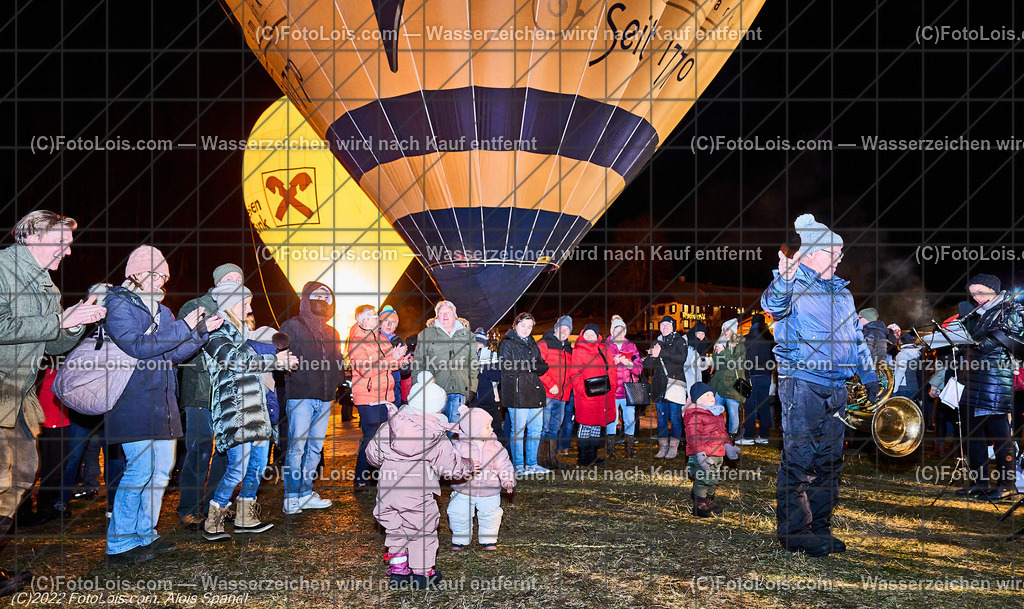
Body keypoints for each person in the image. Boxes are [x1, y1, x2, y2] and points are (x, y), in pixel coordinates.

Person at [761, 213, 878, 557]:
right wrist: (785, 277)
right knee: (799, 460)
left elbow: (856, 339)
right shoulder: (792, 283)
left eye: (841, 253)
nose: (840, 258)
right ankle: (796, 533)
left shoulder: (843, 294)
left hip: (837, 388)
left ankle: (820, 527)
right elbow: (772, 304)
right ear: (811, 253)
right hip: (803, 384)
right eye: (833, 252)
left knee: (829, 462)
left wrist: (870, 376)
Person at [104, 245, 220, 563]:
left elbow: (172, 353)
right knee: (139, 471)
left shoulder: (163, 312)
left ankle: (145, 535)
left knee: (160, 473)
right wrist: (185, 327)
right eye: (156, 275)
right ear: (136, 274)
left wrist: (199, 333)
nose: (162, 281)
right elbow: (136, 346)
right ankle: (119, 543)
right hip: (130, 399)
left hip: (163, 400)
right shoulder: (118, 303)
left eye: (164, 276)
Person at [366, 372, 478, 590]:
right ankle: (422, 572)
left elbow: (372, 455)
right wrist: (469, 464)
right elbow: (450, 467)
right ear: (436, 409)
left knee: (396, 528)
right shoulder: (434, 434)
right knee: (422, 529)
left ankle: (399, 572)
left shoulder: (390, 426)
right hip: (417, 492)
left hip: (388, 489)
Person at [202, 283, 297, 541]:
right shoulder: (216, 330)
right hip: (235, 409)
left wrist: (280, 361)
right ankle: (213, 521)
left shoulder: (244, 333)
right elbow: (234, 361)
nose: (249, 308)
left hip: (257, 408)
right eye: (244, 303)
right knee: (238, 467)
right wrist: (275, 361)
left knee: (257, 466)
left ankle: (246, 517)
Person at [176, 263, 241, 530]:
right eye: (229, 278)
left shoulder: (240, 310)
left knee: (224, 451)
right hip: (200, 391)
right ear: (217, 282)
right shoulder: (195, 307)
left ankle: (215, 504)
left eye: (239, 279)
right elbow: (182, 345)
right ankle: (189, 508)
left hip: (228, 393)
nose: (234, 282)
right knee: (200, 451)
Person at [956, 274, 1024, 500]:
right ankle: (979, 482)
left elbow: (1009, 337)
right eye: (973, 294)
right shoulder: (983, 313)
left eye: (980, 292)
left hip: (995, 381)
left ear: (993, 289)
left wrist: (977, 342)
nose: (977, 297)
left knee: (999, 433)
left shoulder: (1008, 309)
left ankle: (1007, 484)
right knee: (972, 434)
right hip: (975, 379)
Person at [279, 282, 345, 513]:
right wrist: (299, 377)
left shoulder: (332, 332)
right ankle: (291, 497)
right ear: (306, 298)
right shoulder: (292, 325)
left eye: (326, 296)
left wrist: (337, 382)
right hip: (301, 396)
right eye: (317, 295)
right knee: (296, 448)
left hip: (325, 397)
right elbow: (283, 356)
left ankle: (306, 493)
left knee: (315, 448)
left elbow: (337, 360)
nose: (322, 300)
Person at [346, 304, 406, 490]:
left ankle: (376, 477)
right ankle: (361, 478)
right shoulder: (357, 341)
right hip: (368, 397)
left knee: (383, 438)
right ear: (364, 321)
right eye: (374, 316)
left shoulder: (381, 339)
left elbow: (392, 366)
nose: (377, 318)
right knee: (371, 438)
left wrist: (399, 359)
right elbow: (365, 369)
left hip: (386, 396)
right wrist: (391, 358)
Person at [448, 404, 515, 551]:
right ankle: (460, 539)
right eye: (487, 427)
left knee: (491, 515)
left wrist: (507, 479)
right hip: (463, 490)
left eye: (490, 426)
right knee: (458, 514)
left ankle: (489, 539)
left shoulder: (495, 447)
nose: (492, 429)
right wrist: (463, 469)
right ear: (474, 430)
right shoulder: (459, 446)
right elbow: (452, 465)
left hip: (489, 490)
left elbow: (504, 464)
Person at [497, 313, 550, 476]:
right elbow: (506, 367)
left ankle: (532, 464)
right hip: (517, 393)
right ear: (515, 325)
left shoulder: (532, 343)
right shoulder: (507, 343)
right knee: (518, 431)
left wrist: (531, 366)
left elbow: (542, 366)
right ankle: (518, 465)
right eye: (523, 325)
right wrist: (532, 366)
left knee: (536, 430)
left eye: (529, 326)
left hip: (534, 391)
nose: (526, 329)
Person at [413, 300, 478, 428]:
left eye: (448, 312)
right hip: (434, 391)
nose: (445, 315)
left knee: (454, 430)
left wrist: (472, 388)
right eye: (441, 313)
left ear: (455, 315)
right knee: (435, 429)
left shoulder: (468, 336)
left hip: (459, 389)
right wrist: (417, 387)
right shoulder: (426, 335)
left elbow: (473, 363)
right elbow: (418, 362)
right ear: (436, 316)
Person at [684, 383, 740, 517]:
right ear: (697, 399)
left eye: (712, 395)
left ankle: (708, 499)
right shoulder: (694, 414)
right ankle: (699, 503)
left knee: (713, 479)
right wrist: (700, 454)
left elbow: (722, 433)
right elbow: (693, 436)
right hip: (703, 454)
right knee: (703, 478)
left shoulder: (717, 413)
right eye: (707, 395)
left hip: (717, 454)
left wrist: (728, 446)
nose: (712, 397)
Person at [570, 324, 618, 466]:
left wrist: (613, 385)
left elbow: (612, 368)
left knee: (597, 425)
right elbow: (575, 374)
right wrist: (583, 391)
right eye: (587, 334)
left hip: (602, 394)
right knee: (585, 425)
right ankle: (582, 456)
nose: (590, 336)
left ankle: (592, 455)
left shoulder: (603, 348)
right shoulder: (578, 351)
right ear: (582, 335)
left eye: (593, 334)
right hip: (586, 395)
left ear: (597, 336)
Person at [642, 316, 688, 459]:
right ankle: (663, 447)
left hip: (675, 385)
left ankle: (673, 448)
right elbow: (648, 365)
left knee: (675, 418)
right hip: (659, 386)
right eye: (662, 325)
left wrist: (661, 353)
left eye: (668, 324)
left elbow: (681, 358)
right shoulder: (657, 342)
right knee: (661, 419)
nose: (665, 327)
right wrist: (651, 356)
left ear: (673, 326)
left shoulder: (680, 341)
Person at [537, 315, 573, 470]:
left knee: (554, 429)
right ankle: (537, 461)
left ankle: (551, 460)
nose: (564, 332)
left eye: (567, 330)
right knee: (542, 429)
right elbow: (538, 366)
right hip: (547, 394)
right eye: (562, 328)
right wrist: (550, 384)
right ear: (556, 328)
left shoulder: (568, 348)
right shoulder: (544, 343)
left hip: (563, 396)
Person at [606, 315, 643, 458]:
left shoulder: (631, 346)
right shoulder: (605, 346)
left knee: (630, 420)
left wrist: (630, 364)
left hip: (628, 390)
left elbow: (639, 369)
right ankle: (610, 451)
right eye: (617, 330)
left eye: (622, 330)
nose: (619, 333)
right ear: (612, 332)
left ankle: (629, 450)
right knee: (611, 420)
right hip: (612, 389)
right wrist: (613, 363)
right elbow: (601, 368)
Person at [739, 313, 775, 445]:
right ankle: (764, 436)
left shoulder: (747, 338)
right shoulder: (770, 338)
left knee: (749, 407)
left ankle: (749, 436)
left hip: (750, 376)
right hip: (765, 376)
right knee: (764, 406)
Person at [709, 318, 746, 437]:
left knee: (732, 412)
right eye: (723, 329)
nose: (725, 331)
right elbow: (716, 365)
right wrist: (716, 353)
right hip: (719, 385)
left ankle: (731, 436)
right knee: (715, 411)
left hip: (732, 385)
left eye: (728, 329)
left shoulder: (739, 345)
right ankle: (716, 434)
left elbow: (736, 364)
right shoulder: (720, 344)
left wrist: (723, 352)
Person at [471, 328, 505, 446]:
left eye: (479, 343)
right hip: (472, 400)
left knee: (495, 428)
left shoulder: (492, 355)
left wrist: (481, 369)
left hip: (490, 400)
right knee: (474, 429)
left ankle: (504, 452)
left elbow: (497, 375)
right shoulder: (467, 356)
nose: (477, 345)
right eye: (475, 342)